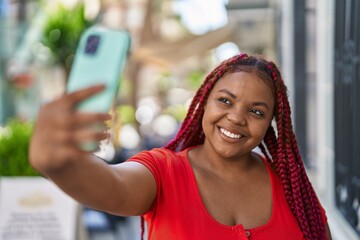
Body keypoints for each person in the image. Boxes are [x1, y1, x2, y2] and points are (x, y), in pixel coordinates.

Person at [29, 53, 332, 240]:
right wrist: (62, 163)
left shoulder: (293, 190)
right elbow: (112, 184)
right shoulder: (164, 171)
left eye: (256, 111)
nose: (237, 117)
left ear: (270, 125)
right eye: (225, 100)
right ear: (203, 104)